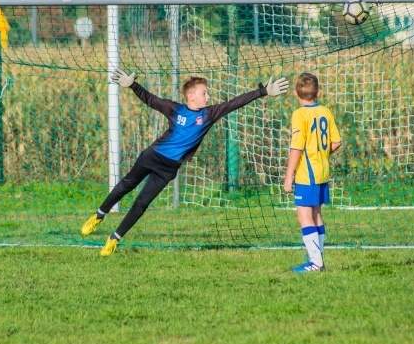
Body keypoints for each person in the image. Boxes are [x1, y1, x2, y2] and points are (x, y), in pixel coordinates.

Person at [80, 69, 289, 256]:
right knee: (126, 184)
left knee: (142, 203)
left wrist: (263, 92)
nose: (208, 96)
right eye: (204, 92)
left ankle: (114, 239)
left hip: (169, 168)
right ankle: (99, 215)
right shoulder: (175, 109)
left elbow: (234, 103)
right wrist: (132, 85)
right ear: (191, 96)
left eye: (207, 93)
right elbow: (150, 99)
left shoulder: (210, 114)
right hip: (151, 156)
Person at [282, 72, 341, 273]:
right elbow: (337, 142)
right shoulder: (325, 111)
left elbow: (296, 148)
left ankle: (316, 263)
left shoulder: (299, 115)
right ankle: (315, 258)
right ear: (318, 92)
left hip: (307, 173)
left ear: (295, 94)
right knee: (316, 215)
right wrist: (322, 154)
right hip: (323, 170)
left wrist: (289, 175)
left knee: (304, 216)